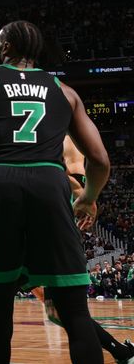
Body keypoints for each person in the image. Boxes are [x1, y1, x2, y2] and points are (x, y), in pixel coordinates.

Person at [0, 20, 110, 364]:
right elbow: (99, 160)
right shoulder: (65, 92)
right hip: (50, 185)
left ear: (6, 47)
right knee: (75, 313)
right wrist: (88, 197)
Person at [31, 136, 134, 364]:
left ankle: (122, 352)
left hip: (59, 211)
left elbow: (63, 174)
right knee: (57, 311)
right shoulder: (67, 129)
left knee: (66, 310)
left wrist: (85, 197)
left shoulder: (59, 134)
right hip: (58, 212)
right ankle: (121, 351)